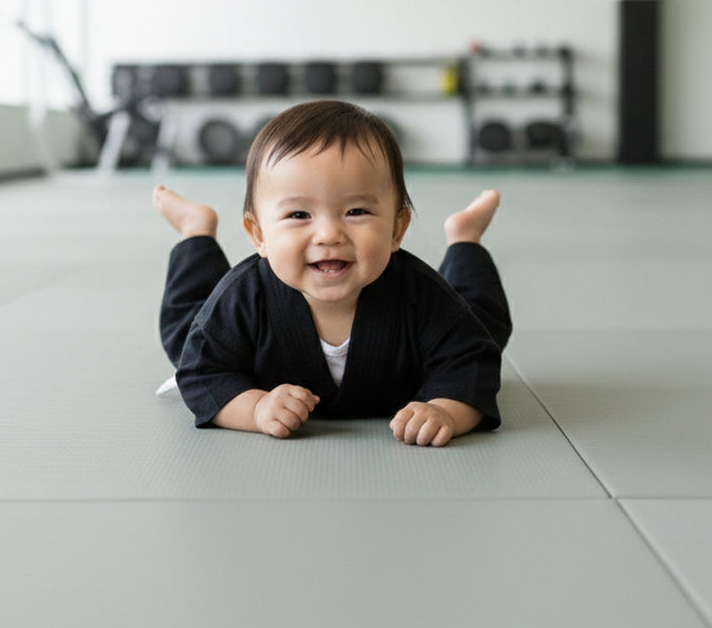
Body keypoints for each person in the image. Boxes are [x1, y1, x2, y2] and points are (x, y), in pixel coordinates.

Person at [153, 100, 511, 447]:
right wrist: (256, 408)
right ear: (259, 234)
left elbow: (471, 365)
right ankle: (196, 231)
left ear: (396, 229)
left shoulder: (420, 293)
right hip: (227, 320)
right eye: (298, 215)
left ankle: (464, 239)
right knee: (188, 337)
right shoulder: (245, 296)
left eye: (356, 211)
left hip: (443, 312)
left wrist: (445, 411)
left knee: (482, 328)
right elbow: (203, 373)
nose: (328, 235)